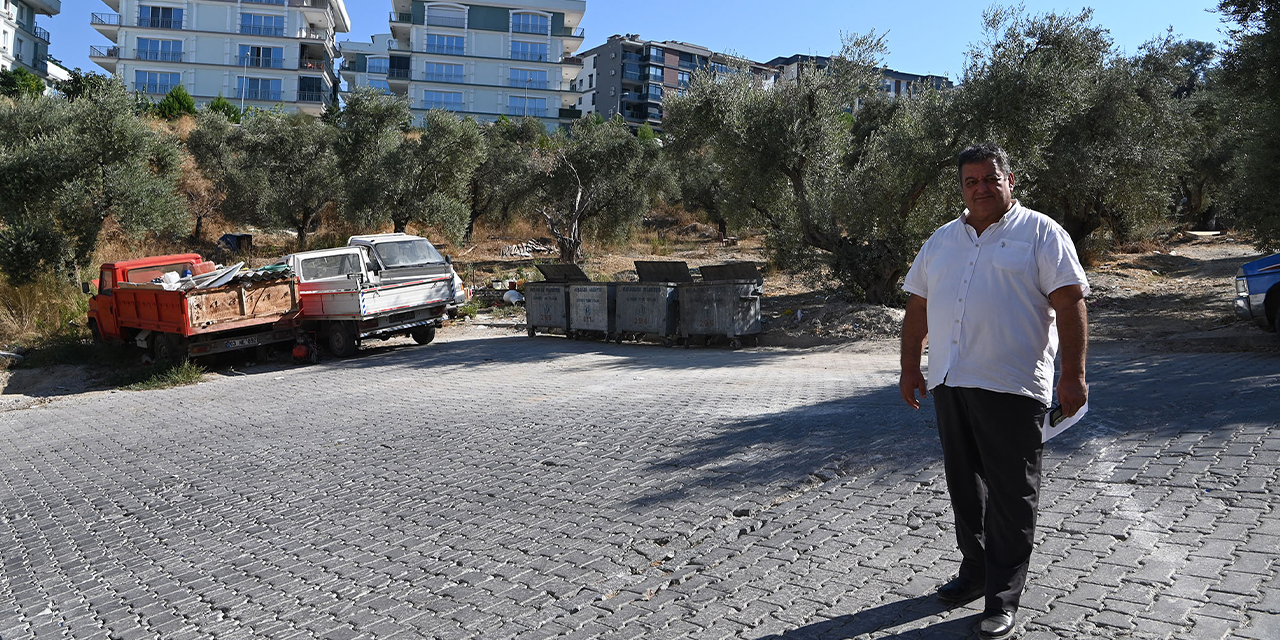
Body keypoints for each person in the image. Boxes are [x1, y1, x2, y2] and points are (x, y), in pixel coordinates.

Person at [899, 143, 1089, 639]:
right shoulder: (941, 240)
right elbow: (917, 309)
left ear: (1010, 179)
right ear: (961, 187)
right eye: (970, 181)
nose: (980, 188)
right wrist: (909, 368)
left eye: (990, 178)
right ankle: (975, 570)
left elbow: (1070, 304)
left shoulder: (1042, 233)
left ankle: (1002, 597)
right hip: (949, 380)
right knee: (966, 489)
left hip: (1011, 384)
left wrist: (1073, 375)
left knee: (1011, 495)